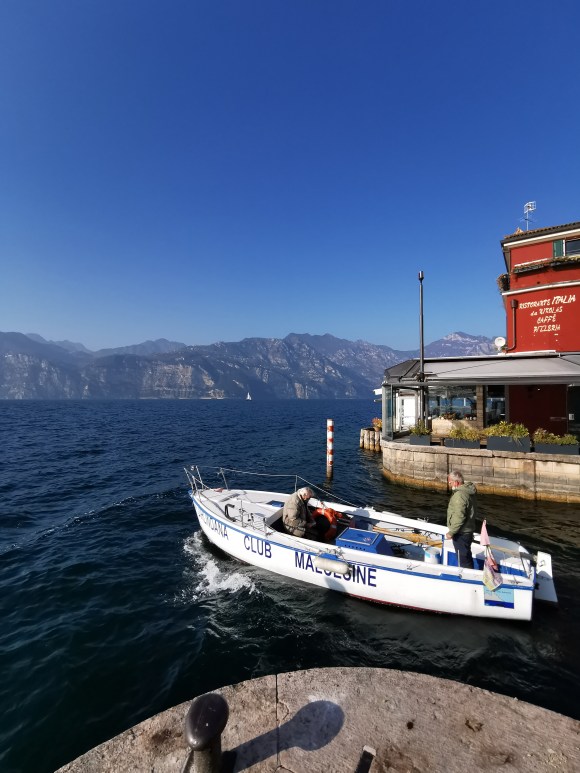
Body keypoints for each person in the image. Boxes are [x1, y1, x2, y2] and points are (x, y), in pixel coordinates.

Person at [445, 470, 476, 569]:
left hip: (461, 533)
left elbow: (459, 516)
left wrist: (452, 532)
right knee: (466, 555)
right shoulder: (468, 491)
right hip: (468, 531)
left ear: (456, 482)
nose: (449, 484)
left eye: (450, 482)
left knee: (463, 559)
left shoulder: (459, 496)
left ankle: (467, 578)